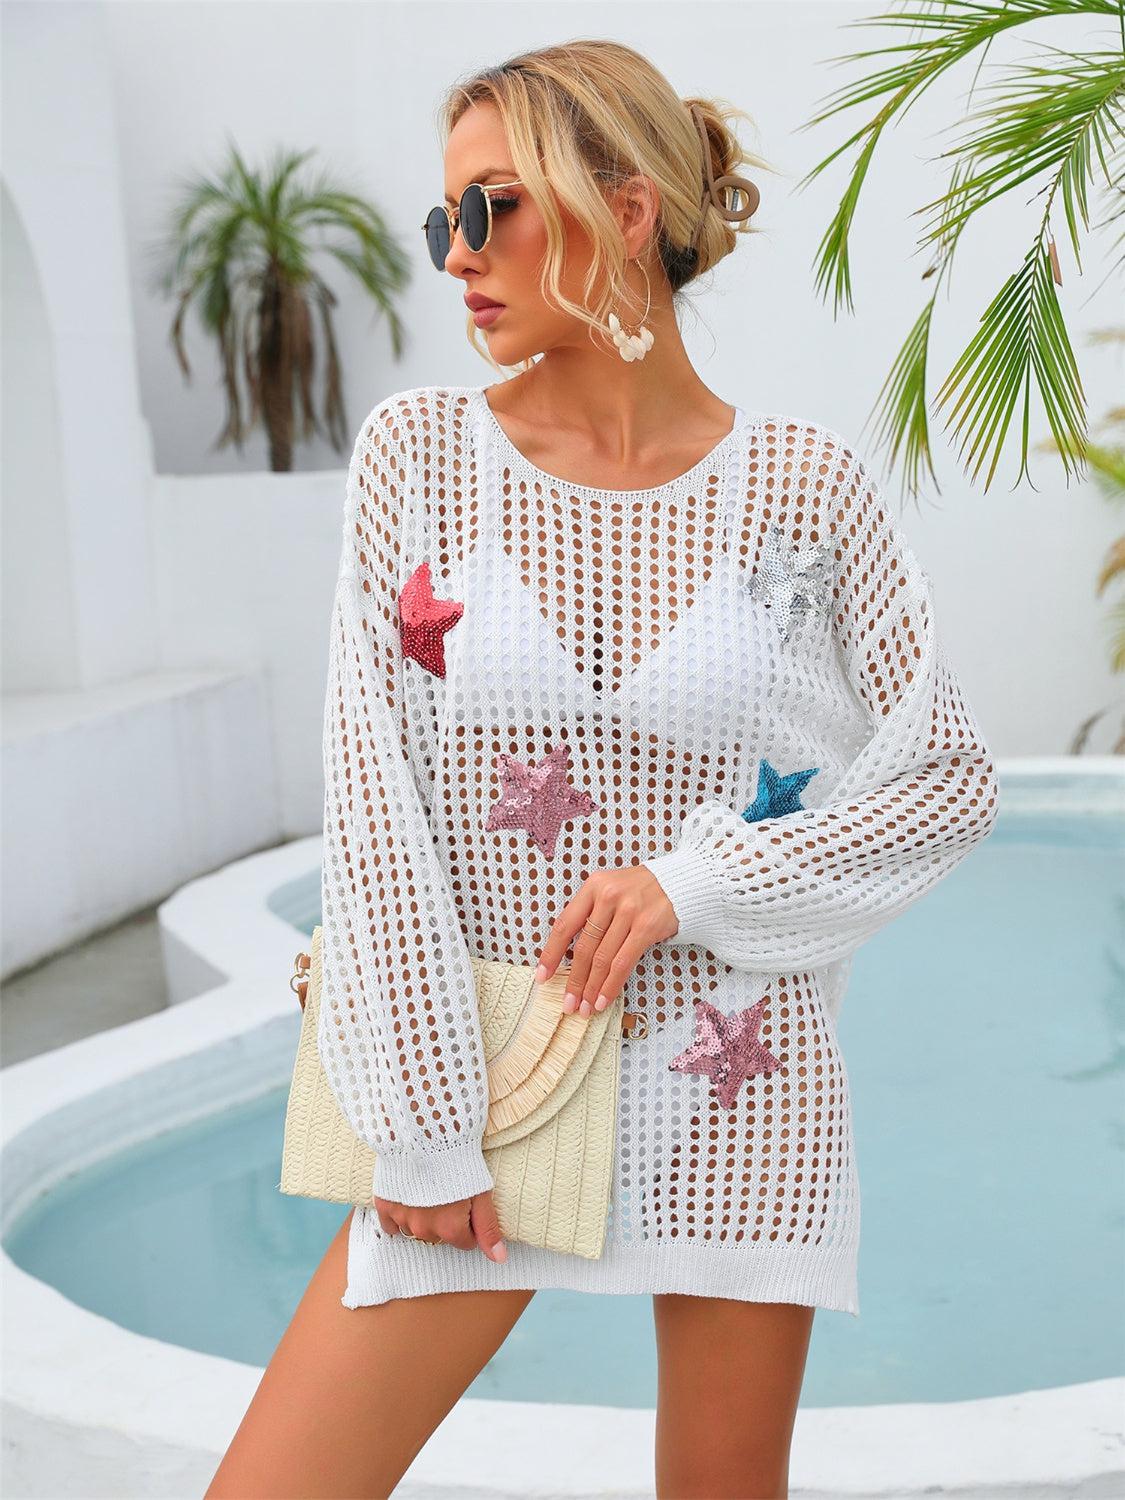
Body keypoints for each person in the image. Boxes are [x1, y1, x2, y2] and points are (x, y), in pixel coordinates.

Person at [206, 38, 999, 1500]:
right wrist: (428, 1132)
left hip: (735, 1101)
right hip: (481, 1091)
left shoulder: (803, 485)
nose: (457, 255)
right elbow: (375, 804)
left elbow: (942, 777)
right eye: (442, 219)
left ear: (626, 209)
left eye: (489, 207)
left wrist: (691, 883)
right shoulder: (419, 456)